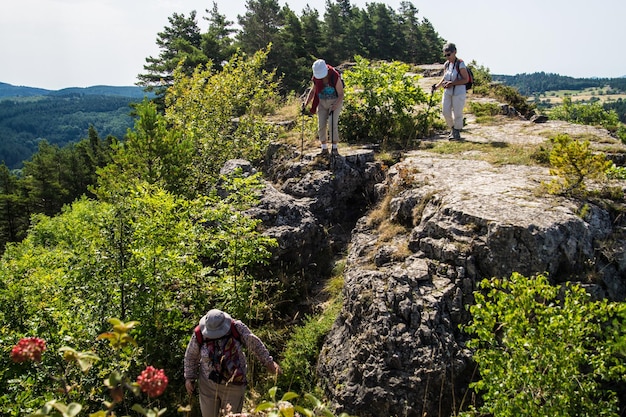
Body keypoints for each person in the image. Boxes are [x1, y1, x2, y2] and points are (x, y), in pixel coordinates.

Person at [184, 309, 281, 417]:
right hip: (208, 384)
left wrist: (269, 362)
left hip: (235, 383)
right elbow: (191, 356)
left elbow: (255, 344)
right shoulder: (199, 334)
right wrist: (189, 378)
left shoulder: (237, 328)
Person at [302, 59, 344, 156]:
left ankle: (334, 148)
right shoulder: (316, 79)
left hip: (334, 102)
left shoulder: (334, 76)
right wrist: (306, 103)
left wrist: (335, 105)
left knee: (332, 124)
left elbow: (341, 94)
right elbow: (313, 92)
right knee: (321, 125)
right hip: (322, 102)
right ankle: (324, 148)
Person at [432, 43, 470, 141]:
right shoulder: (447, 64)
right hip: (448, 91)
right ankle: (452, 128)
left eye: (449, 54)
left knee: (457, 112)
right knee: (445, 111)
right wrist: (437, 86)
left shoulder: (460, 64)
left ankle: (456, 132)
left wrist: (452, 83)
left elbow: (466, 79)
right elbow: (444, 77)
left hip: (459, 92)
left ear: (455, 52)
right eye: (445, 55)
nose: (447, 57)